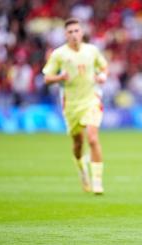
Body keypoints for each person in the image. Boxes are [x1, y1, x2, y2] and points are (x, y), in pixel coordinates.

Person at [43, 18, 108, 195]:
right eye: (70, 32)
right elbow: (47, 78)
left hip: (91, 100)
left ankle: (97, 182)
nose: (74, 35)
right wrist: (59, 77)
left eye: (76, 31)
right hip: (71, 104)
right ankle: (82, 170)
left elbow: (104, 67)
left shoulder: (92, 50)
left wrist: (102, 76)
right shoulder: (59, 54)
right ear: (66, 35)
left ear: (82, 32)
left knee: (93, 138)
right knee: (78, 143)